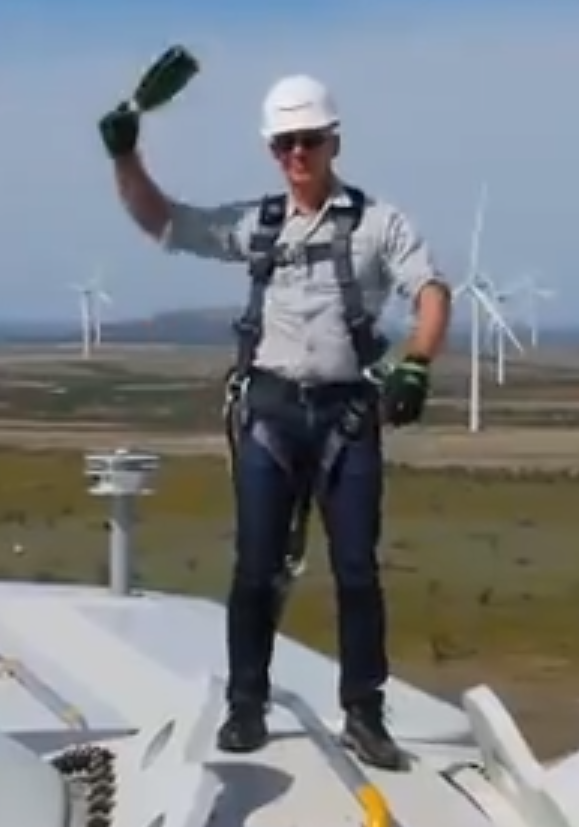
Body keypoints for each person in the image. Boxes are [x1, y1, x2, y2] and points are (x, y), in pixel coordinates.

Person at [97, 73, 452, 771]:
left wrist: (417, 362)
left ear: (333, 141)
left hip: (347, 415)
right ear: (272, 149)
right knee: (255, 568)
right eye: (285, 142)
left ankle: (364, 712)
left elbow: (432, 291)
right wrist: (125, 158)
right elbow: (163, 220)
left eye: (309, 140)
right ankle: (246, 704)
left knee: (357, 570)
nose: (298, 153)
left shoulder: (379, 223)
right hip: (270, 414)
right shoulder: (256, 224)